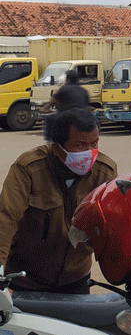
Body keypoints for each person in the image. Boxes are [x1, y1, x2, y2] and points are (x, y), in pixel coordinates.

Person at [0, 107, 118, 293]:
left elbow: (114, 225)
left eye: (94, 143)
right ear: (57, 147)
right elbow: (6, 219)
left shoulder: (105, 172)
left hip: (76, 278)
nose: (89, 153)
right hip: (24, 280)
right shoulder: (29, 169)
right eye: (79, 145)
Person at [40, 69, 90, 142]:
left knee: (49, 119)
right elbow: (87, 103)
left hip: (69, 115)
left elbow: (52, 101)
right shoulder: (83, 90)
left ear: (67, 79)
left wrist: (44, 109)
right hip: (83, 116)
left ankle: (50, 142)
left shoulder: (64, 89)